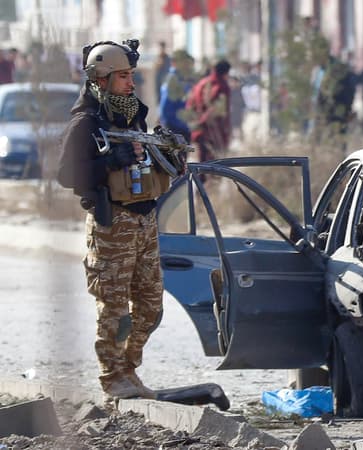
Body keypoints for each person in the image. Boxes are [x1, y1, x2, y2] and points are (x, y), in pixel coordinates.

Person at [57, 39, 172, 401]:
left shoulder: (132, 115)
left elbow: (143, 162)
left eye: (131, 75)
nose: (130, 83)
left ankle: (129, 367)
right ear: (101, 79)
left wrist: (167, 159)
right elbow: (66, 174)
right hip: (112, 225)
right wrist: (110, 160)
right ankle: (113, 376)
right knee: (115, 309)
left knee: (151, 308)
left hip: (144, 220)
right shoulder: (86, 123)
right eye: (123, 76)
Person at [185, 59, 232, 162]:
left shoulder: (201, 83)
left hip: (199, 129)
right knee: (215, 163)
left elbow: (190, 104)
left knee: (202, 162)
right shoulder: (221, 86)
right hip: (213, 131)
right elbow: (217, 109)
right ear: (226, 73)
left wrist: (195, 123)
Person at [158, 49, 195, 142]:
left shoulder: (182, 78)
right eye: (185, 62)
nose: (187, 65)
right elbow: (166, 108)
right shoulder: (172, 80)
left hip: (183, 127)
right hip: (175, 129)